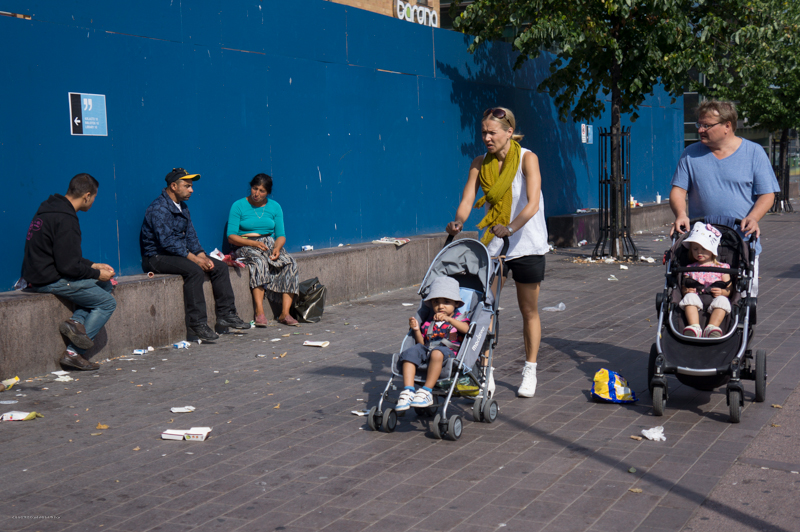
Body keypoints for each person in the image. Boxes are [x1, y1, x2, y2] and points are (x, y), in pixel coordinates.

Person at [446, 106, 548, 398]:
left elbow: (533, 203)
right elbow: (468, 199)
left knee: (528, 310)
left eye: (492, 133)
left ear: (509, 132)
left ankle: (530, 370)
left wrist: (511, 228)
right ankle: (485, 370)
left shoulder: (527, 158)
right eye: (483, 133)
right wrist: (458, 221)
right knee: (485, 309)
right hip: (494, 246)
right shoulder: (480, 163)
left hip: (527, 244)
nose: (487, 138)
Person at [670, 100, 779, 296]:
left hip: (740, 242)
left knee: (743, 298)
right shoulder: (690, 154)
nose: (700, 130)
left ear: (727, 126)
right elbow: (678, 190)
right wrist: (680, 214)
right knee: (696, 296)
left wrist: (753, 217)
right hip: (701, 244)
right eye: (699, 124)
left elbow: (767, 194)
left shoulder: (754, 153)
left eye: (707, 125)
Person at [21, 173, 117, 371]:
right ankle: (73, 353)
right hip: (49, 280)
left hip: (37, 274)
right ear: (87, 196)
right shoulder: (66, 219)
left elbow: (64, 256)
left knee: (105, 284)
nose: (93, 202)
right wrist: (96, 274)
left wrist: (94, 265)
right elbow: (68, 267)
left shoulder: (48, 210)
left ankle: (75, 322)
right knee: (107, 303)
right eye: (94, 197)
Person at [140, 168, 249, 340]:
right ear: (173, 186)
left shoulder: (183, 207)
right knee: (195, 271)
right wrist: (194, 259)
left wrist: (202, 255)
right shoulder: (158, 208)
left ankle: (226, 314)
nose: (191, 190)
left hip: (179, 254)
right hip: (156, 257)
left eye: (191, 186)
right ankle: (197, 323)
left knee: (219, 267)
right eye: (187, 186)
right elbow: (167, 242)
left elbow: (190, 235)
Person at [226, 173, 300, 327]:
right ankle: (259, 312)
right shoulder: (238, 205)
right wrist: (253, 244)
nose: (257, 193)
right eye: (255, 188)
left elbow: (281, 235)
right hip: (245, 244)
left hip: (269, 243)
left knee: (290, 263)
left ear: (268, 192)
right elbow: (231, 236)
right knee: (259, 262)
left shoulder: (275, 207)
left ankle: (285, 313)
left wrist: (277, 248)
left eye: (262, 191)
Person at [395, 277, 471, 410]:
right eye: (436, 302)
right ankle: (408, 390)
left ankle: (426, 391)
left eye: (446, 302)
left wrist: (448, 319)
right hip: (429, 349)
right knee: (410, 352)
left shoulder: (459, 319)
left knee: (436, 353)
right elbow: (422, 343)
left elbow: (466, 330)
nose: (440, 306)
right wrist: (417, 330)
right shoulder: (430, 322)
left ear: (456, 304)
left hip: (449, 353)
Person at [679, 222, 731, 338]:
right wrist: (687, 291)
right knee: (689, 298)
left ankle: (712, 327)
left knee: (723, 300)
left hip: (715, 298)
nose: (699, 252)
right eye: (695, 249)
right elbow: (684, 285)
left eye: (703, 248)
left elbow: (729, 288)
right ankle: (694, 327)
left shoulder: (723, 268)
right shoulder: (690, 268)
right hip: (696, 298)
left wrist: (723, 292)